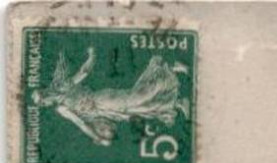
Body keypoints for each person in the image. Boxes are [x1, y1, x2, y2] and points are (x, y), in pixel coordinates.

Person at [32, 49, 190, 147]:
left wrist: (91, 56)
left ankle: (169, 68)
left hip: (102, 99)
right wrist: (97, 137)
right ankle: (177, 103)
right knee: (137, 109)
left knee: (136, 98)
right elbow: (81, 123)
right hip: (103, 111)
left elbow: (83, 73)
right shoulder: (61, 108)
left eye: (43, 101)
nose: (45, 104)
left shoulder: (63, 88)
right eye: (43, 105)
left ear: (45, 95)